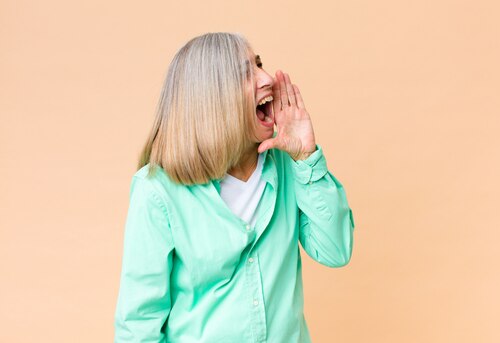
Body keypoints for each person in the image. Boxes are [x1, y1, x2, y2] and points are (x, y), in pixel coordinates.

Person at [113, 32, 355, 342]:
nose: (267, 78)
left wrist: (306, 157)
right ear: (212, 98)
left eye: (259, 64)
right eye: (245, 74)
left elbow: (336, 250)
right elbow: (138, 325)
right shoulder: (157, 190)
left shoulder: (288, 163)